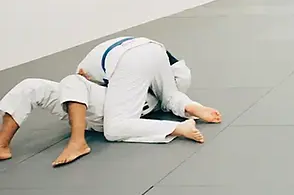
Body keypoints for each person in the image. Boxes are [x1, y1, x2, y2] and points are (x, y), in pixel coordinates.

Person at [0, 59, 202, 165]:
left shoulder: (165, 77)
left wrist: (194, 109)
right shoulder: (126, 61)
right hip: (84, 106)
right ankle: (2, 145)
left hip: (112, 107)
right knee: (31, 86)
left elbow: (173, 97)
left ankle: (78, 142)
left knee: (73, 81)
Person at [67, 38, 220, 166]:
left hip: (128, 61)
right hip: (153, 48)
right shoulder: (91, 59)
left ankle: (178, 128)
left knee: (114, 127)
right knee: (168, 95)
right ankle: (192, 106)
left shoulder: (82, 76)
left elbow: (109, 96)